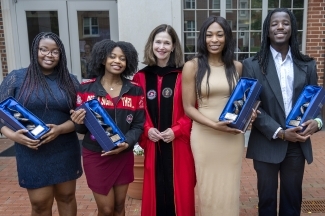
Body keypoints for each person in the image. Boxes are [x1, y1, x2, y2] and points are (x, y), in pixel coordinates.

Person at [242, 8, 322, 216]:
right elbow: (252, 106)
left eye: (285, 23)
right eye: (274, 24)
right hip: (267, 142)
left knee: (292, 200)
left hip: (298, 143)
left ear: (292, 28)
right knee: (266, 201)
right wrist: (280, 131)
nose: (280, 27)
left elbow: (317, 105)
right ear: (267, 31)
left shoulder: (307, 65)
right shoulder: (251, 65)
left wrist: (318, 122)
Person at [0, 32, 82, 215]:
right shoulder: (17, 78)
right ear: (35, 51)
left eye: (55, 51)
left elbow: (80, 118)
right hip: (32, 150)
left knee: (67, 197)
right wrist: (13, 136)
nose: (49, 55)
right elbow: (1, 113)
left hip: (64, 148)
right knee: (39, 203)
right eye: (43, 49)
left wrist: (60, 129)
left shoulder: (70, 80)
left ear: (60, 55)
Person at [182, 16, 256, 215]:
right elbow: (188, 107)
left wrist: (249, 116)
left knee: (230, 188)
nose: (214, 39)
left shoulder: (237, 67)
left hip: (231, 138)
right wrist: (214, 125)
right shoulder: (192, 66)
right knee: (208, 189)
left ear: (227, 38)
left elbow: (243, 101)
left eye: (219, 35)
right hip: (205, 136)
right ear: (203, 38)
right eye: (209, 35)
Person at [70, 39, 145, 216]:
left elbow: (138, 124)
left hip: (123, 154)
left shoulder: (135, 90)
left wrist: (126, 144)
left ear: (128, 63)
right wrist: (77, 121)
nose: (117, 61)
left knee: (119, 207)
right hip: (96, 155)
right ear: (103, 59)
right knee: (106, 209)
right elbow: (81, 130)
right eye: (112, 57)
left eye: (122, 58)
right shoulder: (85, 88)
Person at [133, 24, 195, 216]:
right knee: (155, 190)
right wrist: (146, 129)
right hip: (153, 144)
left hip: (178, 145)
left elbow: (194, 109)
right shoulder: (141, 77)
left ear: (174, 46)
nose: (162, 46)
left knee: (181, 192)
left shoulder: (184, 74)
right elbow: (136, 110)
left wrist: (177, 130)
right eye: (158, 42)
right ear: (151, 44)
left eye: (166, 42)